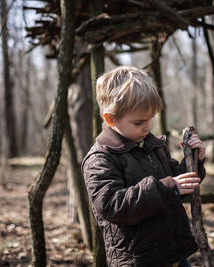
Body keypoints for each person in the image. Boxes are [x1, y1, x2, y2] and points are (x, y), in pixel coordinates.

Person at [82, 66, 206, 267]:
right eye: (139, 122)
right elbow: (112, 205)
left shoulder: (152, 144)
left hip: (172, 252)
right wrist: (165, 188)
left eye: (150, 119)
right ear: (110, 118)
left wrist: (194, 162)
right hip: (137, 260)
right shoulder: (100, 159)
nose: (147, 127)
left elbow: (176, 186)